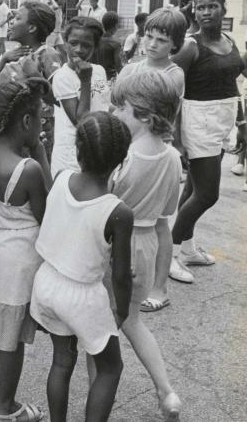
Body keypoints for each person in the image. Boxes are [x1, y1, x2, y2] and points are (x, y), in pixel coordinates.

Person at [30, 111, 134, 422]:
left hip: (47, 283)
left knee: (62, 360)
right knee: (110, 367)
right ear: (121, 160)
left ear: (78, 151)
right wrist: (122, 310)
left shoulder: (61, 177)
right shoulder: (118, 211)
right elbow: (120, 275)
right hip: (83, 297)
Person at [0, 78, 52, 422]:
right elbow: (46, 215)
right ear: (25, 122)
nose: (42, 124)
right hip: (17, 262)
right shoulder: (28, 169)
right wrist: (41, 153)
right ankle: (6, 406)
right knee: (13, 339)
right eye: (39, 119)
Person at [109, 71, 183, 421]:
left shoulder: (123, 157)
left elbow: (104, 205)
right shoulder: (172, 159)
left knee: (104, 326)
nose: (114, 113)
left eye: (120, 107)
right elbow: (166, 214)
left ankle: (101, 399)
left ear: (142, 113)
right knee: (133, 320)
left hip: (115, 248)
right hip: (147, 243)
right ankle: (166, 391)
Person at [170, 0, 247, 283]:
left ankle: (186, 248)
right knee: (207, 194)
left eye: (212, 6)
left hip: (222, 119)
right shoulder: (191, 46)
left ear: (223, 9)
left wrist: (240, 121)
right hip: (198, 121)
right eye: (200, 8)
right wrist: (176, 137)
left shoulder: (229, 41)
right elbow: (173, 88)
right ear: (194, 12)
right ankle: (171, 256)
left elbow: (232, 83)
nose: (205, 12)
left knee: (191, 190)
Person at [0, 1, 62, 160]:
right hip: (12, 131)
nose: (12, 22)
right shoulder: (14, 55)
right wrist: (3, 60)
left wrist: (34, 74)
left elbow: (58, 99)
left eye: (17, 18)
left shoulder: (47, 54)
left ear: (31, 28)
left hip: (38, 133)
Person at [51, 17, 110, 177]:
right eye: (73, 43)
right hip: (72, 153)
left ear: (95, 46)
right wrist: (85, 81)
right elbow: (81, 121)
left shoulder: (99, 71)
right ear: (65, 41)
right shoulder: (63, 77)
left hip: (98, 146)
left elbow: (103, 105)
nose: (78, 50)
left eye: (86, 45)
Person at [119, 8, 186, 100]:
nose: (152, 44)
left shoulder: (174, 75)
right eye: (149, 36)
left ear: (175, 44)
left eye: (161, 40)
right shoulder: (129, 70)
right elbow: (114, 104)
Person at [94, 11, 122, 81]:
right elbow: (118, 66)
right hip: (109, 80)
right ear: (116, 25)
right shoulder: (116, 43)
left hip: (94, 78)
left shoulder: (94, 40)